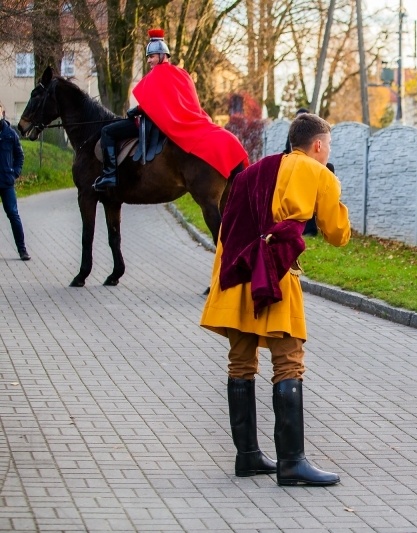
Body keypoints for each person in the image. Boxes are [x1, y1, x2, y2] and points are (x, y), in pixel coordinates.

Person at [200, 113, 350, 486]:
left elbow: (228, 222)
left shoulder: (253, 171)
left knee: (241, 361)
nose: (327, 151)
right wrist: (333, 187)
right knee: (288, 361)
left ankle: (247, 456)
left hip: (236, 270)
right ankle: (292, 463)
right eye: (327, 145)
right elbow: (337, 234)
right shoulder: (320, 174)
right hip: (275, 274)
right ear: (318, 145)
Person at [93, 28, 247, 191]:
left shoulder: (155, 76)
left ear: (161, 55)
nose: (149, 61)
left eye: (151, 57)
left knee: (107, 132)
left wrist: (137, 110)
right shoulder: (181, 73)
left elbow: (152, 103)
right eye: (148, 57)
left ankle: (109, 175)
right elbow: (172, 101)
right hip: (174, 120)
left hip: (154, 123)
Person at [0, 103, 30, 261]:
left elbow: (20, 156)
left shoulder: (11, 134)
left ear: (2, 113)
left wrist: (15, 173)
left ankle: (22, 250)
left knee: (13, 214)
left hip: (6, 182)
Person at [284, 108, 320, 237]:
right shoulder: (291, 135)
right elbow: (287, 150)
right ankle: (298, 228)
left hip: (308, 170)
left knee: (308, 199)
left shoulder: (314, 135)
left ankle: (310, 229)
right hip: (294, 170)